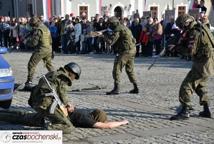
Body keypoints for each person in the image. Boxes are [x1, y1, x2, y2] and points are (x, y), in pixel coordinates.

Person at [170, 14, 214, 120]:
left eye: (182, 27)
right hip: (207, 63)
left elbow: (190, 51)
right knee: (200, 86)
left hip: (203, 64)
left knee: (186, 86)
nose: (181, 29)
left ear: (186, 23)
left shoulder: (195, 32)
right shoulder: (200, 27)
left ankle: (185, 111)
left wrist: (175, 48)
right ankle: (206, 110)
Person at [27, 62, 81, 133]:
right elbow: (63, 95)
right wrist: (68, 104)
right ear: (72, 72)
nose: (73, 79)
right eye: (74, 77)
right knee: (69, 126)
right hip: (46, 105)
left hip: (36, 103)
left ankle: (8, 115)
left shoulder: (53, 73)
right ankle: (47, 129)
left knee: (33, 119)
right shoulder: (64, 77)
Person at [100, 16, 139, 95]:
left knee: (117, 68)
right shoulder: (124, 27)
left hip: (125, 51)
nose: (109, 26)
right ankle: (136, 87)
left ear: (114, 23)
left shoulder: (118, 29)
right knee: (129, 69)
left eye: (110, 24)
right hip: (132, 50)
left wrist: (103, 36)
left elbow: (111, 42)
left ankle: (116, 88)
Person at [0, 108, 128, 129]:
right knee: (20, 119)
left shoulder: (83, 113)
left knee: (21, 115)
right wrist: (123, 122)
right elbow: (107, 126)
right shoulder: (86, 119)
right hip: (50, 118)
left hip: (52, 113)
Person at [24, 17, 54, 88]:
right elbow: (50, 40)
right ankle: (55, 78)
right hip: (49, 48)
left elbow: (34, 43)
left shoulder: (38, 30)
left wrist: (26, 42)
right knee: (49, 65)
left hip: (41, 50)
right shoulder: (45, 28)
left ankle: (29, 82)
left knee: (31, 64)